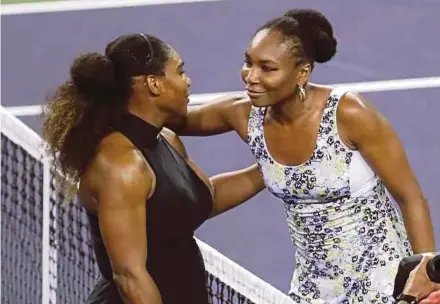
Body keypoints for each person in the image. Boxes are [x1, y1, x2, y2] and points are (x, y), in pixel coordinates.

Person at [171, 8, 436, 303]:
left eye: (267, 68)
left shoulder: (349, 114)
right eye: (248, 62)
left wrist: (424, 277)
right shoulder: (244, 115)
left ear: (302, 73)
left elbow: (410, 197)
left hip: (381, 280)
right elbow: (164, 118)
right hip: (314, 288)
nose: (251, 76)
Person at [41, 33, 265, 304]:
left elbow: (203, 198)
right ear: (154, 84)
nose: (188, 80)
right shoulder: (120, 164)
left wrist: (271, 168)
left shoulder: (166, 139)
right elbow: (130, 276)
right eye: (180, 71)